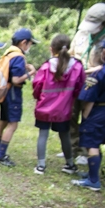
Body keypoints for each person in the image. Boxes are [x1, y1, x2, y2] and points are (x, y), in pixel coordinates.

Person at [32, 33, 85, 175]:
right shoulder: (77, 66)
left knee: (43, 135)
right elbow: (80, 87)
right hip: (64, 110)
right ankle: (70, 164)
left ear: (51, 49)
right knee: (65, 135)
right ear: (69, 48)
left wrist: (38, 98)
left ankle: (41, 166)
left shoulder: (46, 66)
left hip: (44, 108)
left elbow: (37, 85)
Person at [0, 28, 38, 167]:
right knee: (12, 124)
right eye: (30, 43)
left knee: (2, 121)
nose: (30, 46)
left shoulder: (8, 53)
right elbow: (16, 79)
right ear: (24, 42)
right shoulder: (18, 56)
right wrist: (31, 72)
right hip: (12, 94)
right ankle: (0, 155)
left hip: (4, 92)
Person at [68, 2, 105, 164]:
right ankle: (72, 147)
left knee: (88, 116)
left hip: (95, 84)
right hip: (75, 82)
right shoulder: (81, 34)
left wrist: (90, 71)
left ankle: (86, 150)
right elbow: (71, 53)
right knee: (71, 114)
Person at [71, 40, 105, 192]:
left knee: (92, 144)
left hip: (98, 112)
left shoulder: (98, 74)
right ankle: (93, 173)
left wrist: (85, 116)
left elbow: (89, 99)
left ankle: (93, 180)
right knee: (98, 142)